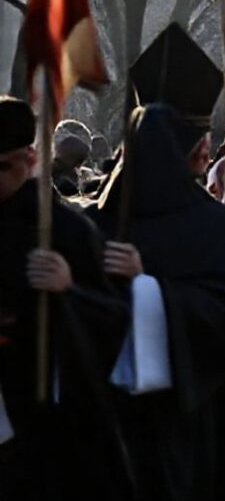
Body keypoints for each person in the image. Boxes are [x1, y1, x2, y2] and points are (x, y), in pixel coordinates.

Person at [86, 24, 225, 501]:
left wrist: (148, 293)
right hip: (191, 423)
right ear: (191, 148)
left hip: (118, 428)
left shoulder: (93, 222)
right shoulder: (214, 227)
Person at [0, 96, 131, 499]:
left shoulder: (70, 232)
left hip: (57, 430)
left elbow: (116, 323)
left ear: (30, 156)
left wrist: (69, 291)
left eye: (1, 167)